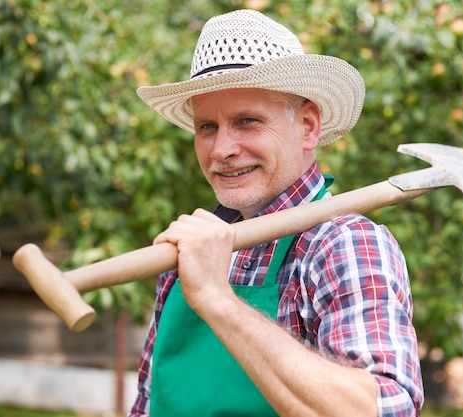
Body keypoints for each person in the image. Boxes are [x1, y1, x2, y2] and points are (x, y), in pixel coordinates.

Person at [130, 9, 424, 417]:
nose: (221, 149)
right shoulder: (189, 251)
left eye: (247, 121)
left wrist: (219, 300)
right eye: (207, 127)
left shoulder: (342, 244)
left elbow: (385, 411)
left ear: (307, 126)